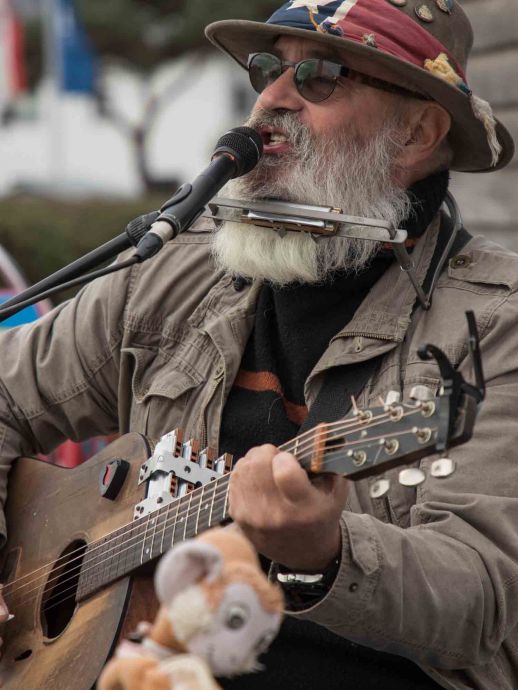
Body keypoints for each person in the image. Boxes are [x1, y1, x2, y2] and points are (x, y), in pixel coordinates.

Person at [0, 1, 517, 688]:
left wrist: (326, 553)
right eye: (268, 69)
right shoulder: (172, 270)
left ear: (417, 132)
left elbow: (479, 597)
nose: (271, 99)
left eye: (321, 77)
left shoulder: (497, 322)